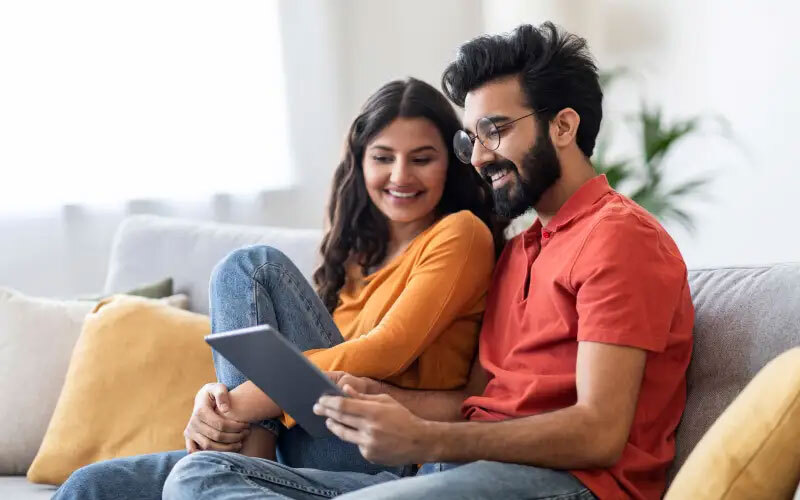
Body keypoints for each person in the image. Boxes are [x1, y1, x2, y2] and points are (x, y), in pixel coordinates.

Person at [163, 22, 694, 500]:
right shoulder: (521, 251)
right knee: (183, 477)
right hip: (454, 466)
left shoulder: (620, 238)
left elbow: (599, 433)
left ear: (563, 126)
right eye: (474, 138)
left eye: (497, 130)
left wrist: (427, 437)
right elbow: (475, 400)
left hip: (566, 484)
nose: (481, 156)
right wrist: (386, 399)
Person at [52, 77, 505, 500]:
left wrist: (244, 401)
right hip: (302, 444)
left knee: (253, 266)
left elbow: (386, 351)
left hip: (378, 452)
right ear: (361, 161)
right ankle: (251, 462)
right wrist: (216, 399)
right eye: (383, 157)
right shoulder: (352, 255)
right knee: (91, 485)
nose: (400, 176)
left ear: (453, 162)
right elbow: (272, 351)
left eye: (422, 158)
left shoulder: (461, 234)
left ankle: (248, 461)